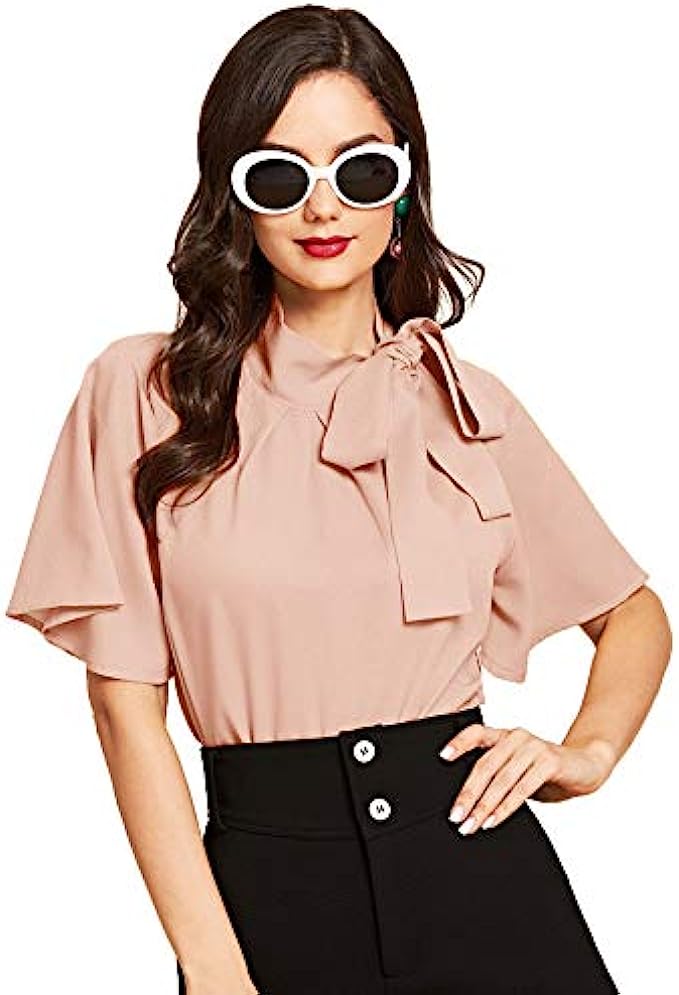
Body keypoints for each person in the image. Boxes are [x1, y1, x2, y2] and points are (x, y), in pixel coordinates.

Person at [5, 6, 672, 995]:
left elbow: (631, 612)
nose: (324, 209)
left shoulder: (465, 403)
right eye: (280, 176)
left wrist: (588, 749)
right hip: (268, 893)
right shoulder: (145, 394)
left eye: (360, 171)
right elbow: (123, 705)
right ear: (234, 196)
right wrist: (213, 965)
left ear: (402, 185)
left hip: (484, 879)